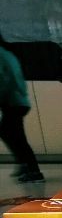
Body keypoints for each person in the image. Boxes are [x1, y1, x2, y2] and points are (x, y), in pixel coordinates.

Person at [0, 32, 44, 183]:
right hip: (18, 100)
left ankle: (32, 170)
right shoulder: (7, 53)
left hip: (12, 101)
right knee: (10, 133)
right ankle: (25, 165)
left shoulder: (0, 54)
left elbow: (3, 79)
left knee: (16, 137)